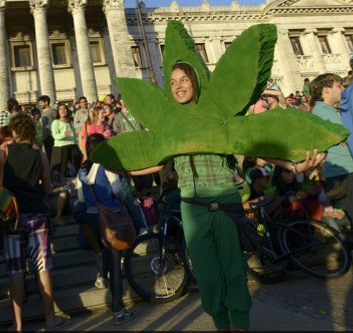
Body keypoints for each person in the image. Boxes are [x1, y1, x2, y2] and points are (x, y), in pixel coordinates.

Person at [123, 62, 324, 331]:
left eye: (183, 80)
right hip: (192, 208)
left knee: (233, 271)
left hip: (225, 202)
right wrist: (125, 168)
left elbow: (251, 143)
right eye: (172, 82)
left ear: (195, 82)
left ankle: (240, 325)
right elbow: (159, 163)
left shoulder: (217, 114)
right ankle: (222, 326)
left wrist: (294, 166)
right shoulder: (170, 124)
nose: (178, 86)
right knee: (206, 276)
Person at [0, 113, 70, 332]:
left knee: (16, 271)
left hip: (12, 219)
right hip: (37, 215)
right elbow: (47, 188)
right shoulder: (41, 155)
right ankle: (50, 318)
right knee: (42, 268)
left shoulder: (3, 152)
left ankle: (17, 325)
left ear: (15, 132)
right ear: (31, 132)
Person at [77, 133, 135, 326]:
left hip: (92, 216)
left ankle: (101, 273)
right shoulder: (106, 166)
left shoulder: (82, 171)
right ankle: (118, 310)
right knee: (116, 265)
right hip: (110, 218)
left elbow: (81, 198)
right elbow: (118, 189)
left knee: (105, 255)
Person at [310, 73, 353, 216]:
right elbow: (345, 134)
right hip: (343, 173)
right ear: (326, 90)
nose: (342, 89)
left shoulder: (328, 110)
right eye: (338, 86)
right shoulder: (322, 112)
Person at [50, 103, 82, 178]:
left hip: (73, 145)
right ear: (58, 111)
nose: (62, 110)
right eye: (60, 109)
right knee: (61, 169)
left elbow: (73, 134)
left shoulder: (70, 121)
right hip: (61, 146)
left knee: (78, 165)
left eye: (64, 109)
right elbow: (55, 136)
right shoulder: (56, 122)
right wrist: (64, 134)